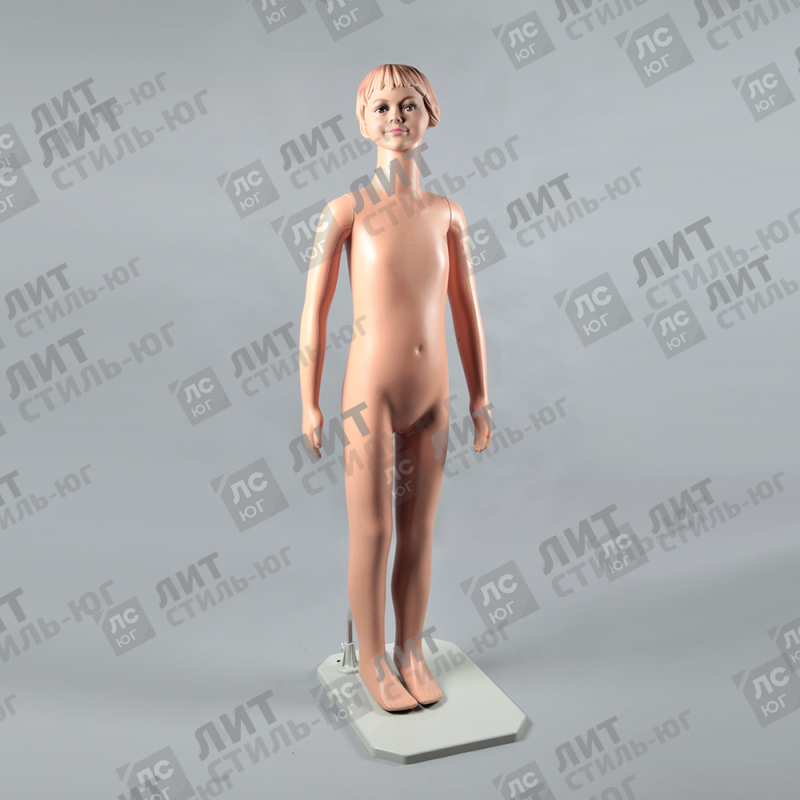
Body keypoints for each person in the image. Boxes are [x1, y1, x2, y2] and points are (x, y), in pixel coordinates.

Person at [299, 64, 492, 711]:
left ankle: (412, 649)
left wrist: (480, 397)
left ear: (430, 114)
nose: (396, 118)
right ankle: (373, 660)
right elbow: (314, 313)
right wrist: (309, 401)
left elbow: (467, 313)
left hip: (433, 393)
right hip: (370, 394)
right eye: (381, 108)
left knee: (419, 530)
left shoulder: (447, 214)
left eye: (409, 105)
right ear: (363, 123)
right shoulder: (346, 211)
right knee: (374, 531)